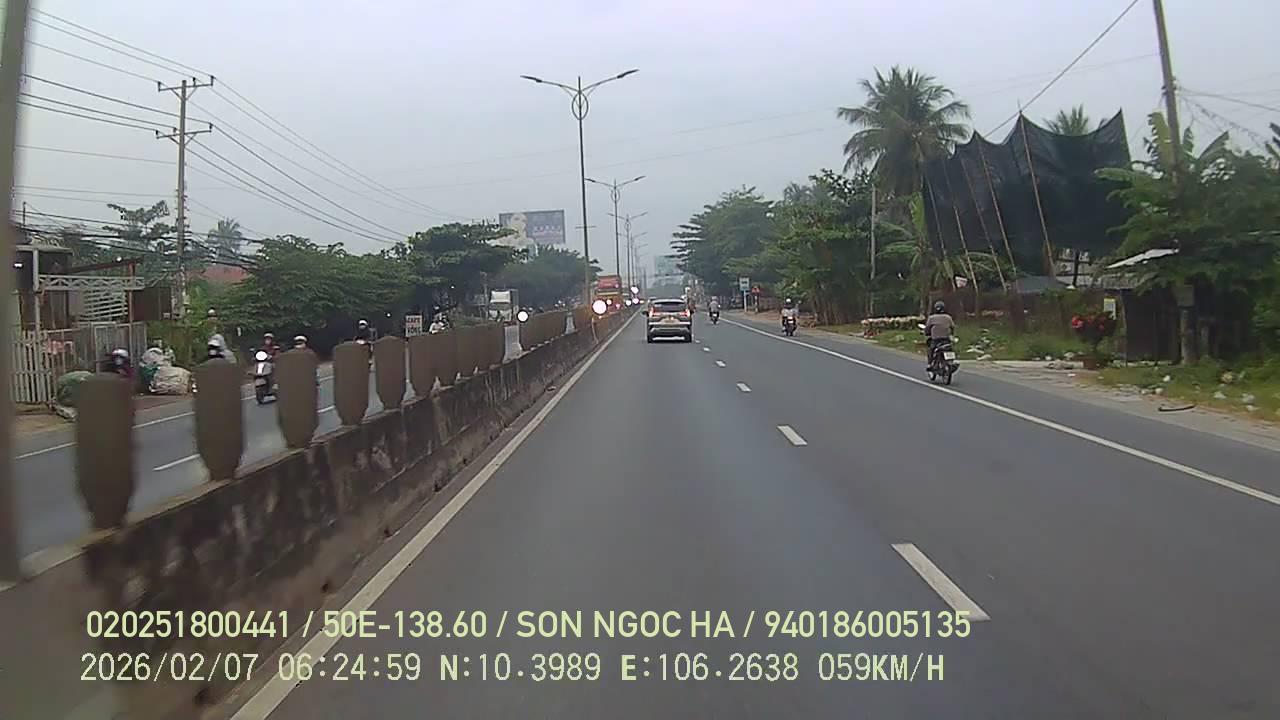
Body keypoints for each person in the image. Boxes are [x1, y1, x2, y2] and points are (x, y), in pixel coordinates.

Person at [923, 300, 956, 367]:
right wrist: (951, 334)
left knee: (931, 350)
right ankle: (951, 361)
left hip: (936, 339)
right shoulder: (948, 317)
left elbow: (927, 328)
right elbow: (952, 327)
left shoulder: (931, 318)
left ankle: (930, 364)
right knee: (950, 348)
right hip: (946, 339)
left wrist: (927, 333)